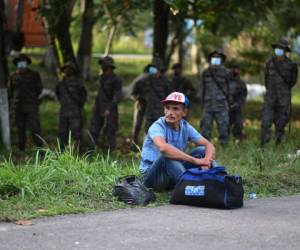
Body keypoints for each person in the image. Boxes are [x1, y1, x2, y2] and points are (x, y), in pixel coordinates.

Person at [140, 91, 216, 191]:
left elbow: (208, 144)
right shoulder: (158, 126)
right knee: (166, 156)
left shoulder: (184, 126)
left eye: (175, 109)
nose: (170, 112)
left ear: (184, 112)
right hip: (154, 178)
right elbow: (163, 148)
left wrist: (207, 161)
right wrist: (195, 161)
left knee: (202, 150)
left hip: (173, 172)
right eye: (167, 108)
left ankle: (217, 179)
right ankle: (193, 188)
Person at [261, 39, 298, 146]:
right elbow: (266, 78)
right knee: (265, 121)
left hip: (283, 99)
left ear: (285, 50)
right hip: (270, 97)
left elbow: (293, 81)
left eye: (281, 48)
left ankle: (279, 143)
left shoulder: (291, 65)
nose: (279, 50)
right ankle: (264, 144)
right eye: (278, 48)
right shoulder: (269, 63)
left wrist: (283, 91)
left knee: (281, 122)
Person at [8, 53, 43, 151]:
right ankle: (21, 150)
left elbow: (39, 90)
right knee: (20, 129)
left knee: (35, 129)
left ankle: (40, 150)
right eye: (20, 62)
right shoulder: (13, 76)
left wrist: (33, 99)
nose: (22, 64)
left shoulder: (34, 75)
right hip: (18, 107)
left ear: (27, 63)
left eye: (24, 62)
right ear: (17, 64)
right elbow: (10, 92)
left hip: (31, 106)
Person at [89, 56, 122, 150]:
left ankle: (109, 153)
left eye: (103, 64)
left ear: (109, 66)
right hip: (99, 108)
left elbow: (117, 96)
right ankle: (91, 151)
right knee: (94, 129)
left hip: (110, 110)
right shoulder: (101, 78)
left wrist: (109, 108)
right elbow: (99, 93)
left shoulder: (116, 80)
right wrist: (95, 104)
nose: (102, 66)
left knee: (110, 132)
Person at [200, 48, 231, 146]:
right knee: (205, 127)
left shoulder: (227, 73)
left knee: (223, 128)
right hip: (208, 104)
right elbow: (202, 88)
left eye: (218, 57)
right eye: (214, 57)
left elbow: (231, 88)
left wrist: (230, 101)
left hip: (221, 105)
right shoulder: (206, 72)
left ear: (222, 59)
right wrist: (201, 101)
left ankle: (224, 146)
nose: (216, 59)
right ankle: (205, 148)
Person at [134, 57, 173, 133]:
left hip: (162, 114)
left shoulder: (166, 82)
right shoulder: (145, 80)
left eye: (156, 68)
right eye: (153, 68)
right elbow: (136, 89)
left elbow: (171, 98)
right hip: (149, 113)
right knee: (148, 134)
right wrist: (139, 98)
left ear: (160, 70)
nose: (154, 71)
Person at [55, 62, 87, 150]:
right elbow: (57, 93)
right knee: (62, 132)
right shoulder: (61, 83)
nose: (67, 70)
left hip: (75, 112)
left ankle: (78, 151)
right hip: (63, 111)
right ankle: (61, 151)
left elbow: (83, 96)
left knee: (76, 133)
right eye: (65, 68)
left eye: (69, 68)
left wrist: (78, 106)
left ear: (73, 70)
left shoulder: (78, 83)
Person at [131, 65, 150, 145]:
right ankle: (133, 143)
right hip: (140, 106)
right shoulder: (140, 82)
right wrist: (138, 98)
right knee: (137, 125)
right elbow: (133, 94)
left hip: (150, 107)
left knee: (148, 126)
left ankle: (146, 144)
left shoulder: (154, 82)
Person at [228, 65, 247, 143]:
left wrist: (238, 104)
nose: (236, 71)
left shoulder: (241, 83)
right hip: (227, 108)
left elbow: (244, 95)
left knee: (238, 124)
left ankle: (238, 139)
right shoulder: (226, 82)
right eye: (234, 69)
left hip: (237, 108)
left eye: (237, 69)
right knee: (226, 125)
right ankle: (225, 142)